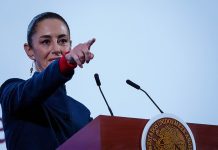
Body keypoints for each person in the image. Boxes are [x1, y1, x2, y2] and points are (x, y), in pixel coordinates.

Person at [0, 12, 95, 150]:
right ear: (30, 50)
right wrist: (64, 63)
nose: (56, 49)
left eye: (62, 41)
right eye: (46, 42)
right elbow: (34, 89)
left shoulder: (82, 113)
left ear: (70, 46)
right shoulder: (13, 91)